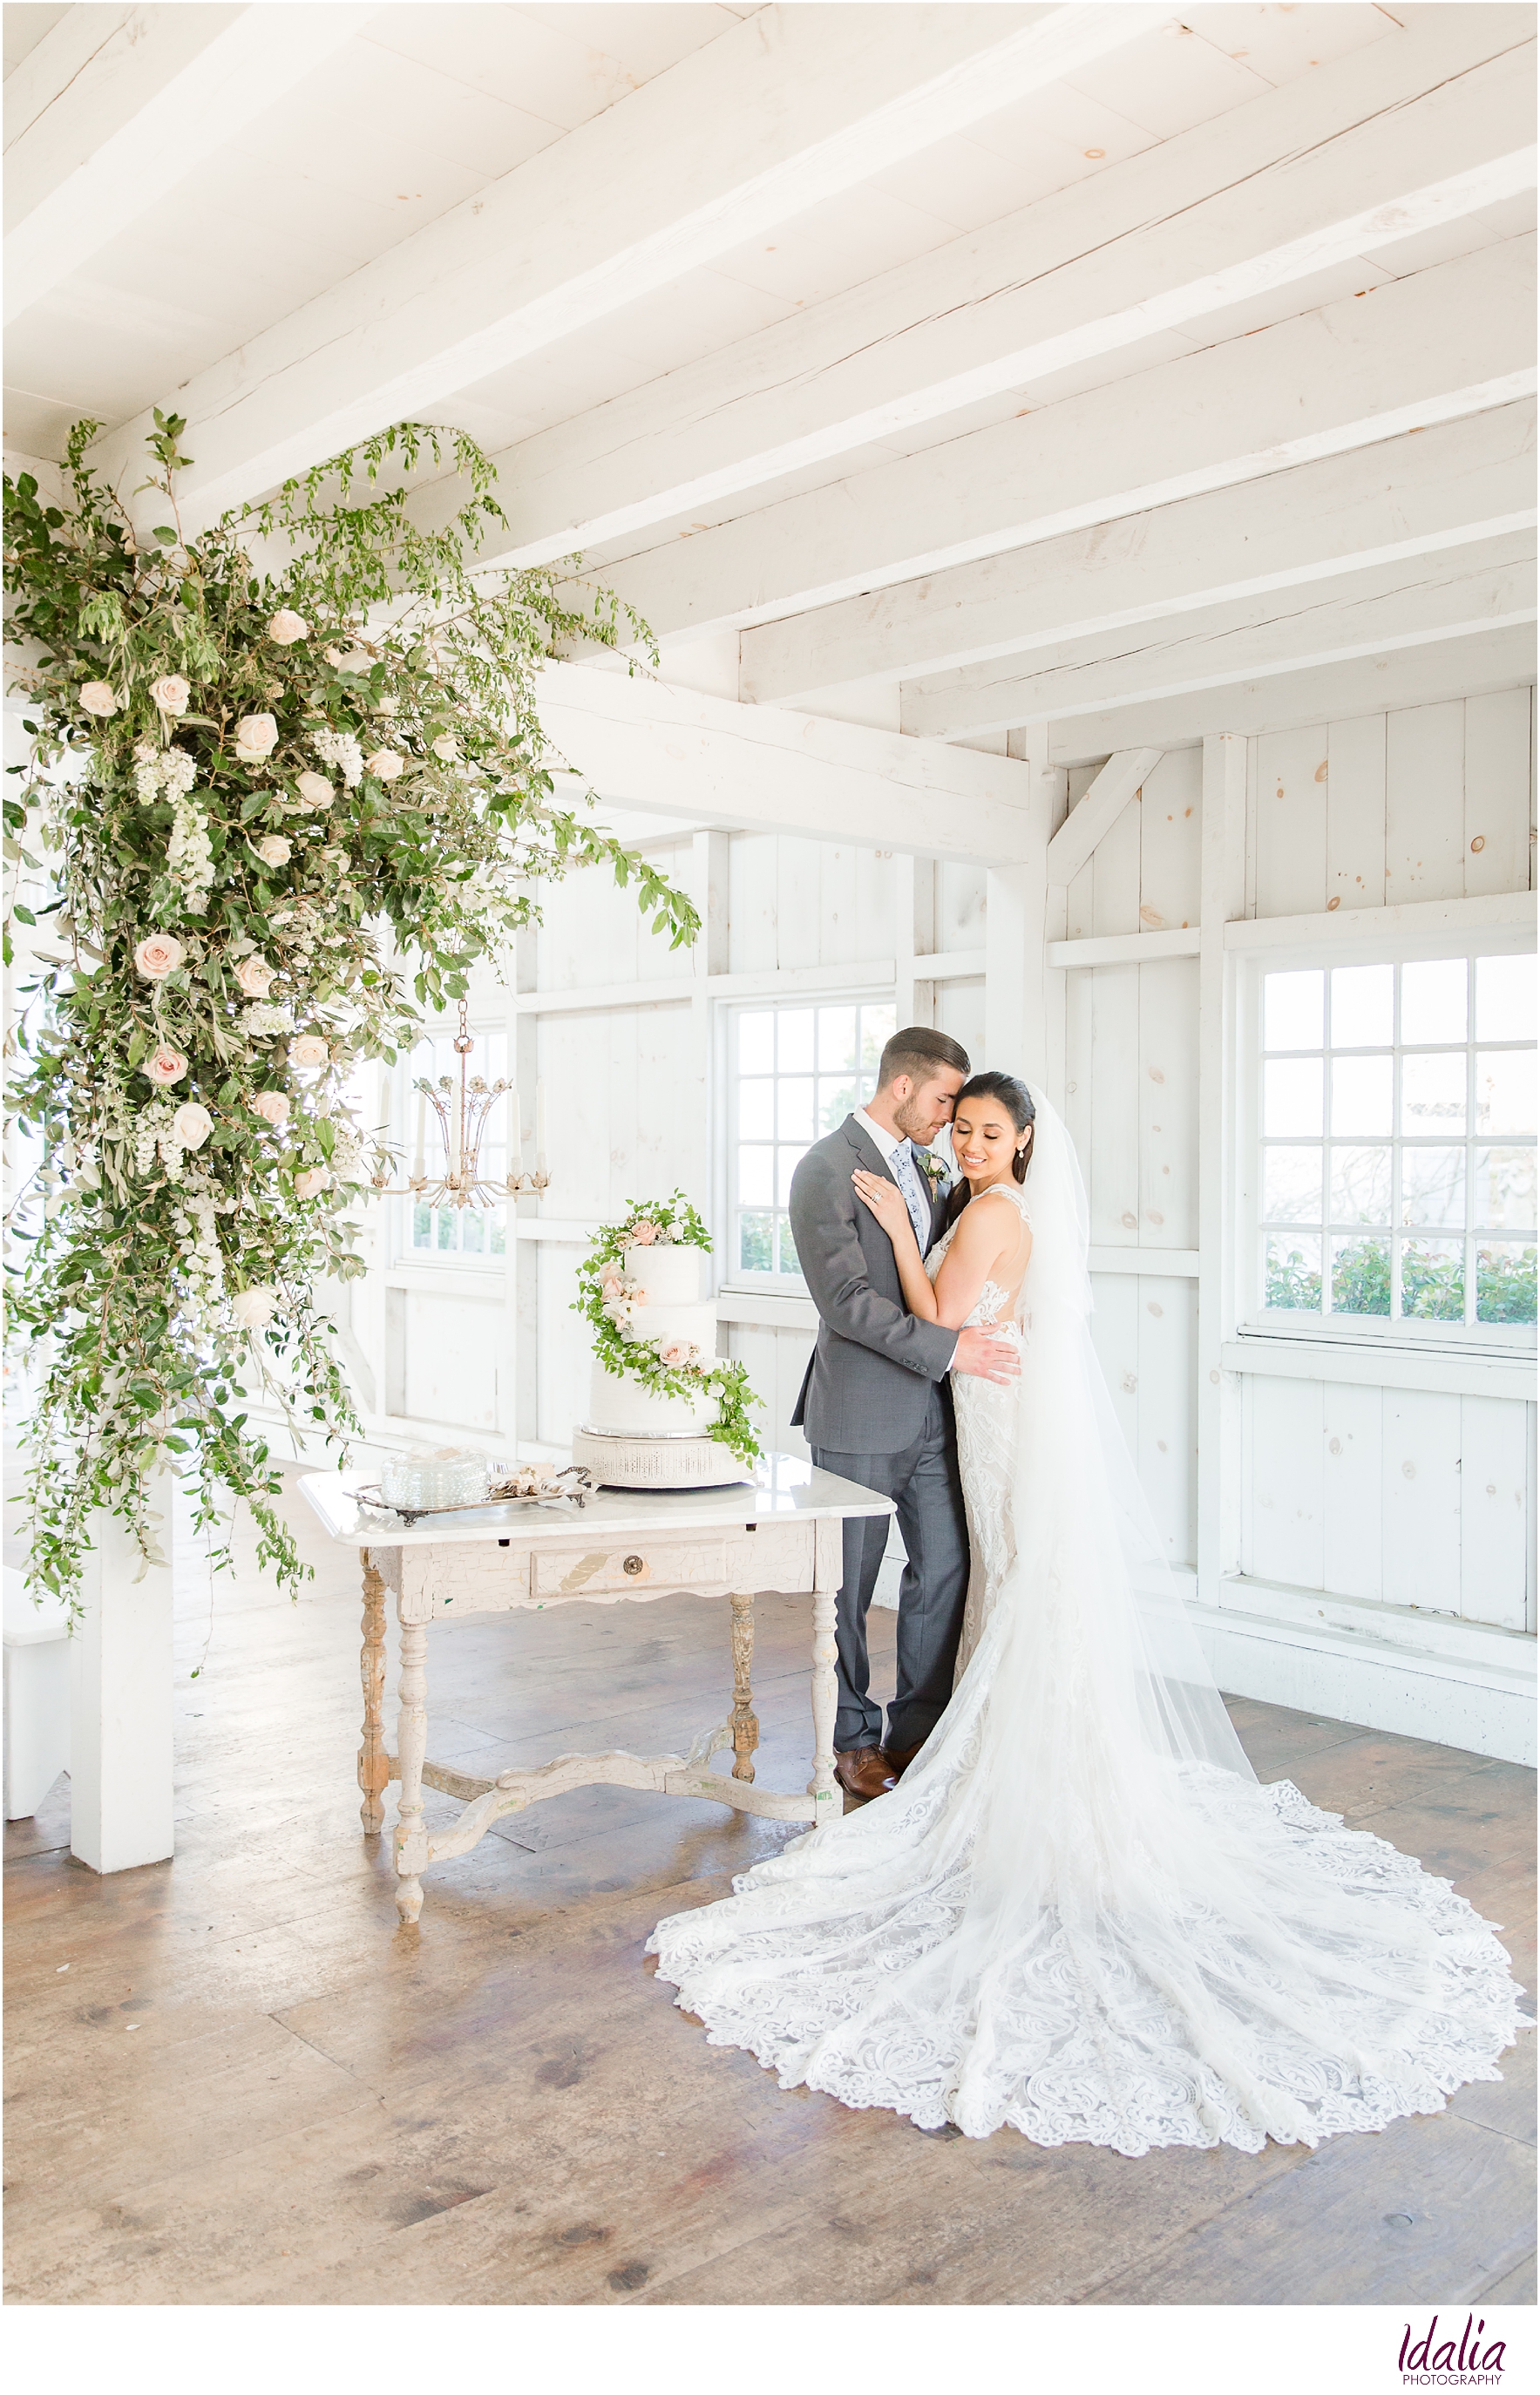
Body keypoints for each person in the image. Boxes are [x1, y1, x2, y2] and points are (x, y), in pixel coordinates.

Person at [648, 1075, 1528, 2155]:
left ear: (1022, 1144)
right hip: (973, 1406)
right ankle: (935, 1744)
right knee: (996, 1579)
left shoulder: (992, 1208)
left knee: (1012, 1582)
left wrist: (899, 1230)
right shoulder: (956, 1194)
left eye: (986, 1132)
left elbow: (936, 1311)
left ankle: (1007, 1763)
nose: (966, 1142)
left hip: (987, 1406)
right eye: (959, 1126)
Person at [785, 1027, 1019, 1807]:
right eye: (946, 1100)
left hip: (939, 1415)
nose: (953, 1122)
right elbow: (846, 1302)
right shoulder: (824, 1168)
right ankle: (850, 1742)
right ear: (903, 1088)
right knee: (846, 1587)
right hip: (858, 1411)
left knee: (946, 1567)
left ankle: (916, 1729)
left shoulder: (927, 1166)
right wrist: (952, 1352)